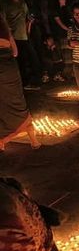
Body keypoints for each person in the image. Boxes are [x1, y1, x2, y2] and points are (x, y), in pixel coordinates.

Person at [0, 14, 40, 150]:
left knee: (3, 103)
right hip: (10, 67)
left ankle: (3, 138)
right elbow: (15, 53)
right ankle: (33, 140)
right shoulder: (6, 29)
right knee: (17, 100)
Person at [2, 0, 41, 89]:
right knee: (21, 60)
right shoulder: (6, 6)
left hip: (24, 36)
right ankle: (24, 83)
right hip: (14, 38)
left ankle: (36, 79)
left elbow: (26, 19)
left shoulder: (23, 5)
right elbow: (4, 22)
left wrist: (29, 28)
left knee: (33, 57)